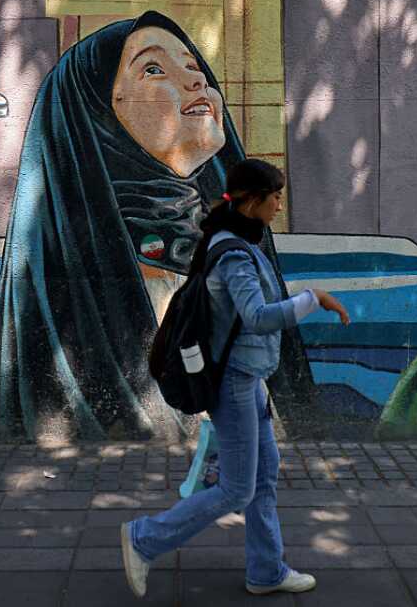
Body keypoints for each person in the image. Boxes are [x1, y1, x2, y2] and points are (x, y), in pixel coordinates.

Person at [0, 11, 315, 441]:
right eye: (154, 69)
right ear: (100, 115)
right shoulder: (85, 280)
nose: (198, 82)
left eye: (195, 68)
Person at [121, 158, 350, 598]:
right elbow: (259, 317)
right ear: (251, 201)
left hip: (249, 379)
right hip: (236, 383)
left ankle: (266, 571)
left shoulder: (235, 242)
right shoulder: (235, 255)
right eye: (275, 196)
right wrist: (312, 298)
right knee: (236, 489)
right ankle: (144, 538)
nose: (280, 205)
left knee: (264, 476)